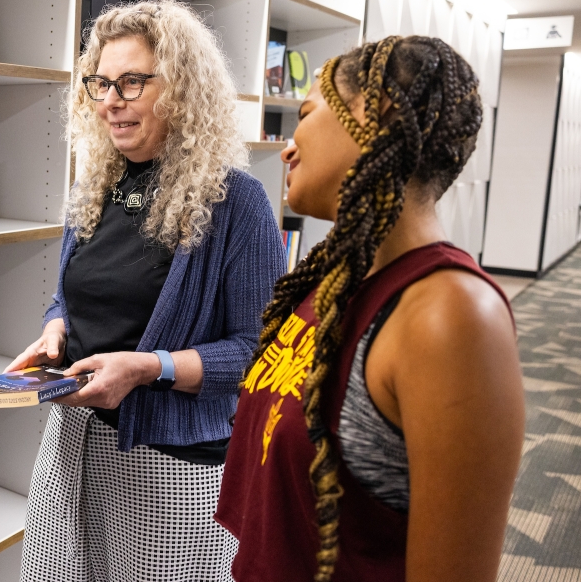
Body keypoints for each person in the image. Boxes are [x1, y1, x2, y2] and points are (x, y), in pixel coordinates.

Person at [214, 36, 523, 581]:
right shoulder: (332, 282)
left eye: (305, 114)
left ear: (373, 114)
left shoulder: (450, 314)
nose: (286, 148)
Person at [10, 0, 286, 581]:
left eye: (133, 82)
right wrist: (55, 328)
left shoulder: (237, 202)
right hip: (72, 446)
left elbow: (262, 353)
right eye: (102, 83)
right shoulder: (95, 185)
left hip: (171, 472)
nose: (111, 101)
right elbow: (74, 293)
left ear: (182, 88)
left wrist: (148, 367)